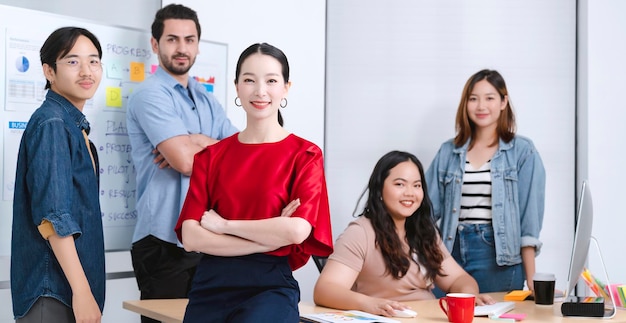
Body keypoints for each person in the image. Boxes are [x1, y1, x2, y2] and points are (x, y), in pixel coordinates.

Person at [174, 42, 333, 322]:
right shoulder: (211, 157)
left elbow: (296, 232)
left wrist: (224, 226)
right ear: (236, 86)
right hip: (210, 286)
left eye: (271, 81)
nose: (260, 91)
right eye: (249, 80)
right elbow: (191, 237)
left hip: (269, 287)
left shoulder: (305, 155)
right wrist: (271, 238)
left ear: (286, 87)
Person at [126, 5, 238, 321]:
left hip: (207, 240)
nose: (182, 48)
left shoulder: (207, 100)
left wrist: (197, 140)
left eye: (189, 40)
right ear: (155, 44)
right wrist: (196, 149)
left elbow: (244, 158)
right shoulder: (150, 94)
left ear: (198, 45)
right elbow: (185, 162)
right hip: (162, 242)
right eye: (172, 39)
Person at [313, 151, 493, 317]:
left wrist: (468, 297)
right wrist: (369, 304)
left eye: (417, 185)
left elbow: (459, 278)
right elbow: (325, 290)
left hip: (424, 317)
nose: (410, 193)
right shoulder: (360, 233)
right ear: (379, 190)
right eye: (399, 184)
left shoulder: (424, 232)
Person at [11, 27, 105, 322]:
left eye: (94, 61)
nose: (87, 71)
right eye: (73, 61)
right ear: (49, 71)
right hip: (54, 289)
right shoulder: (53, 123)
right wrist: (82, 291)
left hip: (63, 288)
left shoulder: (72, 124)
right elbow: (53, 216)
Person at [425, 69, 546, 293]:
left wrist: (532, 280)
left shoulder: (522, 151)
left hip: (498, 260)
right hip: (450, 253)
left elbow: (529, 222)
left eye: (489, 98)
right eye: (473, 98)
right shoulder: (448, 152)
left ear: (503, 102)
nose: (481, 106)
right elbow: (425, 212)